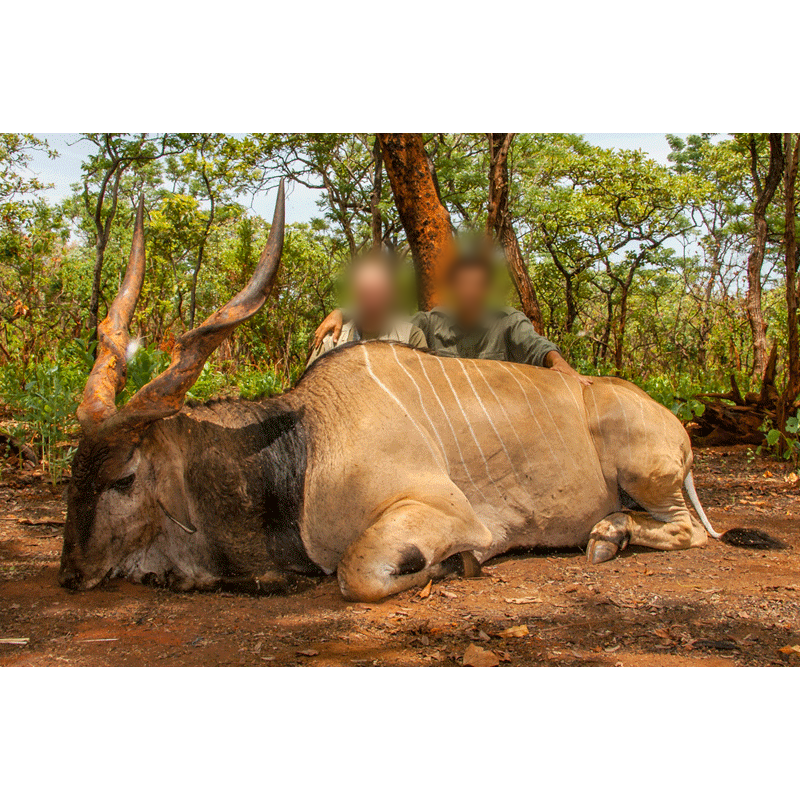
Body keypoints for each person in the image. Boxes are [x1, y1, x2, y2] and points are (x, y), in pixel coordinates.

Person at [312, 250, 592, 386]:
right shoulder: (431, 322)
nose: (470, 292)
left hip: (499, 410)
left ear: (486, 289)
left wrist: (559, 363)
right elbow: (386, 323)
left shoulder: (508, 320)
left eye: (477, 285)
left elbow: (536, 346)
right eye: (463, 285)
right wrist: (345, 312)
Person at [306, 253, 427, 367]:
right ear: (355, 295)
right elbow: (310, 385)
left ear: (391, 295)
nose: (372, 302)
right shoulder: (332, 339)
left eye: (379, 293)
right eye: (366, 293)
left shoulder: (411, 337)